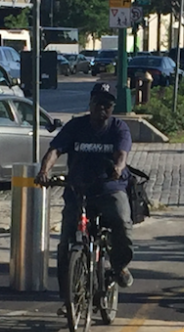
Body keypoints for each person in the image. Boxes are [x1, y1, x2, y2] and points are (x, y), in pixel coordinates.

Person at [35, 82, 134, 315]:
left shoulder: (119, 128)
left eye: (107, 105)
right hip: (78, 190)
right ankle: (68, 297)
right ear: (90, 104)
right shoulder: (75, 126)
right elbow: (55, 150)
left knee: (121, 221)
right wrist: (44, 171)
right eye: (98, 103)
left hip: (110, 188)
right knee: (65, 244)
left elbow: (122, 154)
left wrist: (118, 168)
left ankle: (119, 266)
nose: (102, 108)